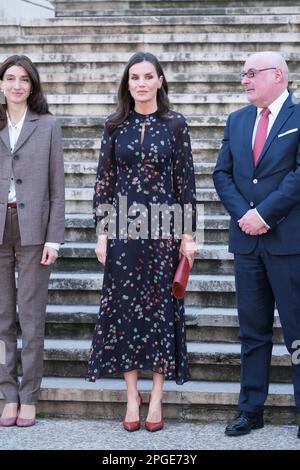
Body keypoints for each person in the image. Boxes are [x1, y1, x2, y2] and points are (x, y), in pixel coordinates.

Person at [87, 51, 197, 432]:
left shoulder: (176, 125)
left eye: (149, 76)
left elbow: (186, 183)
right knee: (126, 311)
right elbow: (104, 180)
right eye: (135, 77)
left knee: (162, 312)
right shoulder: (115, 124)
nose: (141, 83)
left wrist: (188, 236)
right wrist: (102, 233)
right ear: (128, 82)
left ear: (160, 81)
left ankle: (157, 396)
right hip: (123, 231)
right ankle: (132, 395)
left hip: (164, 231)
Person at [213, 51, 300, 438]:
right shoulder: (237, 119)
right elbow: (222, 173)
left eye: (251, 73)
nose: (244, 80)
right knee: (252, 331)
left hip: (288, 242)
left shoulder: (297, 117)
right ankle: (251, 410)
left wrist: (264, 214)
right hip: (246, 243)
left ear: (278, 76)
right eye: (242, 73)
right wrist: (245, 216)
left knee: (297, 331)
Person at [0, 55, 65, 427]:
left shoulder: (48, 125)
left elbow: (57, 187)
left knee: (31, 317)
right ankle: (8, 393)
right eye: (10, 78)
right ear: (1, 83)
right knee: (2, 318)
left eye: (24, 79)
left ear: (33, 85)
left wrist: (53, 239)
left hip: (33, 230)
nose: (17, 85)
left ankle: (29, 395)